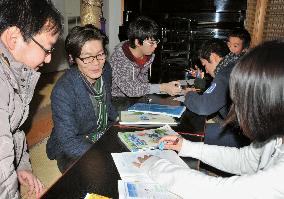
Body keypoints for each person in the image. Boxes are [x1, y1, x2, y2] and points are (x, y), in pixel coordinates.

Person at [135, 40, 284, 199]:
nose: (237, 110)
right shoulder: (275, 138)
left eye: (242, 100)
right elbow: (246, 160)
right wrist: (187, 146)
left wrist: (156, 166)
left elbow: (219, 192)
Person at [0, 0, 63, 198]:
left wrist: (22, 166)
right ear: (13, 38)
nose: (49, 59)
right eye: (47, 49)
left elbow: (13, 132)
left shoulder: (12, 73)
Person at [46, 24, 118, 173]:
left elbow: (107, 103)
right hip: (74, 143)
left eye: (100, 54)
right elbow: (69, 142)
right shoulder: (63, 91)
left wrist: (120, 120)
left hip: (101, 131)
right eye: (87, 57)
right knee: (92, 172)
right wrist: (105, 153)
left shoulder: (106, 70)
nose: (96, 62)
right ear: (73, 59)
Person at [184, 38, 249, 147]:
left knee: (192, 133)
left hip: (244, 137)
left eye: (204, 65)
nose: (206, 70)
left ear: (213, 57)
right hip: (244, 128)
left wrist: (188, 94)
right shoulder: (234, 65)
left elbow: (203, 106)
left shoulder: (226, 73)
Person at [110, 16, 181, 98]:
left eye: (156, 42)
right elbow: (131, 90)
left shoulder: (147, 55)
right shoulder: (119, 59)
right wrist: (163, 87)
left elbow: (144, 83)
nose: (155, 46)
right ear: (137, 42)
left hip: (139, 97)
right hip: (118, 100)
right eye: (151, 43)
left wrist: (170, 88)